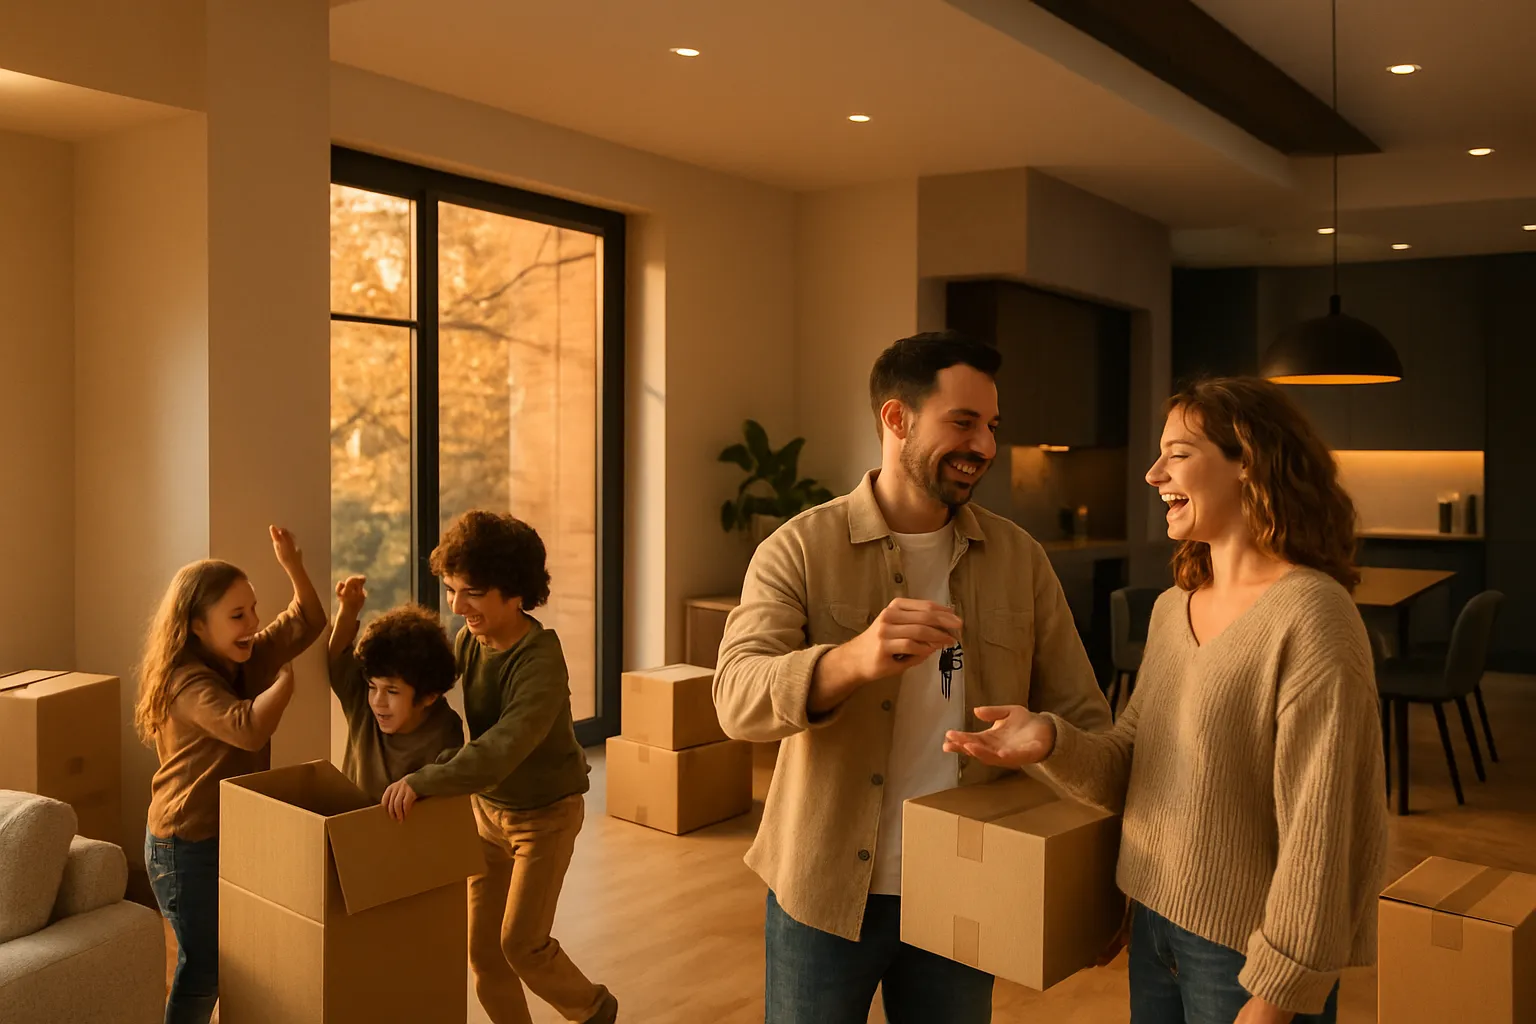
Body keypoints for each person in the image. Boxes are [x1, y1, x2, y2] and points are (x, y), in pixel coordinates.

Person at [945, 377, 1389, 1024]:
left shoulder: (1313, 616)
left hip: (1244, 955)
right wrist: (1048, 740)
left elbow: (1321, 833)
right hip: (1154, 927)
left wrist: (1277, 993)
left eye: (1178, 453)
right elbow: (1133, 767)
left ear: (1250, 465)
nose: (1154, 474)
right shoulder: (1171, 608)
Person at [713, 331, 1113, 1024]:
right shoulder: (800, 547)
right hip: (822, 888)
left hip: (965, 885)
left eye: (992, 427)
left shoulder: (1021, 559)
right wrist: (852, 659)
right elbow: (736, 698)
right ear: (897, 420)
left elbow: (1089, 722)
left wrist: (1045, 737)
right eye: (962, 422)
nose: (985, 446)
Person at [378, 511, 617, 1024]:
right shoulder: (470, 639)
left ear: (515, 592)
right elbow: (425, 680)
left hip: (544, 818)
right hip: (487, 814)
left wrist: (423, 779)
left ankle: (594, 1008)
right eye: (450, 590)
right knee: (484, 954)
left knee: (521, 944)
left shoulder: (539, 662)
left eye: (473, 593)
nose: (458, 606)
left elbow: (499, 751)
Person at [135, 527, 327, 1024]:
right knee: (203, 969)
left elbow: (308, 620)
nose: (253, 623)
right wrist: (284, 683)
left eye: (254, 611)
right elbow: (246, 728)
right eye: (237, 615)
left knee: (240, 959)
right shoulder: (185, 680)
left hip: (231, 834)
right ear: (197, 626)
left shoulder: (243, 654)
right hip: (185, 843)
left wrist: (292, 563)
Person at [326, 575, 465, 801]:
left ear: (428, 697)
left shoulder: (443, 728)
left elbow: (448, 779)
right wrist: (348, 609)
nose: (378, 701)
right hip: (349, 827)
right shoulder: (362, 703)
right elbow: (337, 657)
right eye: (373, 686)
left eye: (392, 691)